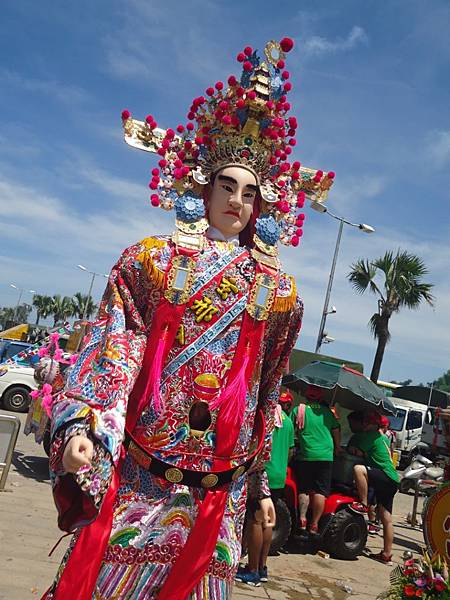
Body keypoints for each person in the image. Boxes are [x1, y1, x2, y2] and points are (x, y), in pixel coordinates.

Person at [40, 38, 334, 600]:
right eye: (227, 185)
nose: (238, 200)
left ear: (263, 205)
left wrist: (261, 487)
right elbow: (115, 347)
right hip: (141, 478)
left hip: (216, 498)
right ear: (203, 187)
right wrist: (84, 426)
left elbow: (265, 390)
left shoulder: (279, 293)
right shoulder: (150, 261)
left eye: (250, 192)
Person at [236, 399, 294, 586]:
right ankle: (262, 568)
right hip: (279, 475)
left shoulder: (265, 416)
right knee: (268, 522)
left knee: (255, 520)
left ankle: (252, 570)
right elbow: (290, 451)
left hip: (263, 473)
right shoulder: (287, 421)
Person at [348, 411, 400, 565]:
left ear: (374, 425)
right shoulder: (382, 437)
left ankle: (363, 504)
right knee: (386, 518)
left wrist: (351, 448)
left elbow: (357, 452)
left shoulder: (372, 436)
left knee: (358, 469)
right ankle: (386, 554)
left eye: (367, 423)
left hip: (384, 475)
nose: (364, 425)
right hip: (392, 479)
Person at [291, 385, 341, 535]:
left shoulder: (299, 410)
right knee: (320, 491)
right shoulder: (328, 413)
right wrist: (337, 447)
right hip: (326, 456)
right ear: (320, 397)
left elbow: (291, 428)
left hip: (306, 455)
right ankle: (314, 524)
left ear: (306, 395)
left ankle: (302, 518)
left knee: (304, 489)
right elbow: (336, 430)